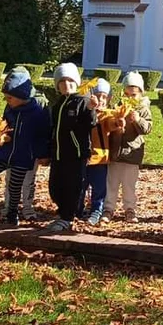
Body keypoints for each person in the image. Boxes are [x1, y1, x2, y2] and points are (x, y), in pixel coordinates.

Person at [0, 67, 51, 224]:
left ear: (21, 96)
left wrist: (43, 155)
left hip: (22, 156)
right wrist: (1, 135)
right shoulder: (10, 109)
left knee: (14, 186)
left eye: (9, 98)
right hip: (4, 153)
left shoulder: (37, 112)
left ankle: (12, 213)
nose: (7, 101)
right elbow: (5, 126)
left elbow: (43, 135)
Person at [44, 63, 97, 233]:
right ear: (57, 85)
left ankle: (67, 217)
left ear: (77, 83)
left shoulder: (83, 102)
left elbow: (90, 123)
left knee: (72, 186)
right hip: (58, 153)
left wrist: (91, 110)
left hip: (75, 153)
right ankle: (62, 212)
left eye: (70, 81)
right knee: (55, 187)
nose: (67, 85)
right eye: (63, 81)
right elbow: (53, 128)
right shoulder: (58, 104)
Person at [103, 71, 152, 223]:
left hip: (132, 154)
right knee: (111, 183)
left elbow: (147, 129)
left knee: (129, 185)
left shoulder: (143, 109)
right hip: (116, 152)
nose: (130, 98)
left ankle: (130, 209)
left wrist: (137, 120)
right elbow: (109, 125)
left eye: (134, 95)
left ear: (140, 94)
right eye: (127, 94)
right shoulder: (118, 107)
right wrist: (117, 124)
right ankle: (108, 208)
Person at [80, 79, 119, 225]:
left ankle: (96, 210)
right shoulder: (84, 112)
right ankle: (78, 208)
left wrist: (118, 122)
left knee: (99, 188)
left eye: (104, 96)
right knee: (80, 186)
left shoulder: (106, 114)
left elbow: (111, 123)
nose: (101, 100)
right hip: (83, 157)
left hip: (100, 158)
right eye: (98, 95)